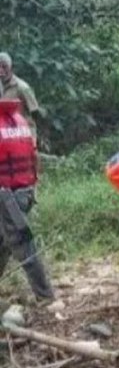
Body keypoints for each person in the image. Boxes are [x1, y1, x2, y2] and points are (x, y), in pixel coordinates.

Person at [0, 98, 54, 301]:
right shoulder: (18, 119)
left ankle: (46, 296)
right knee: (3, 240)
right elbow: (34, 155)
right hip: (25, 191)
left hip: (8, 196)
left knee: (22, 244)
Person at [0, 52, 42, 142]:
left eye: (4, 67)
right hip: (6, 133)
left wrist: (34, 137)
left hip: (24, 133)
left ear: (11, 67)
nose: (1, 71)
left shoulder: (22, 87)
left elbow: (35, 112)